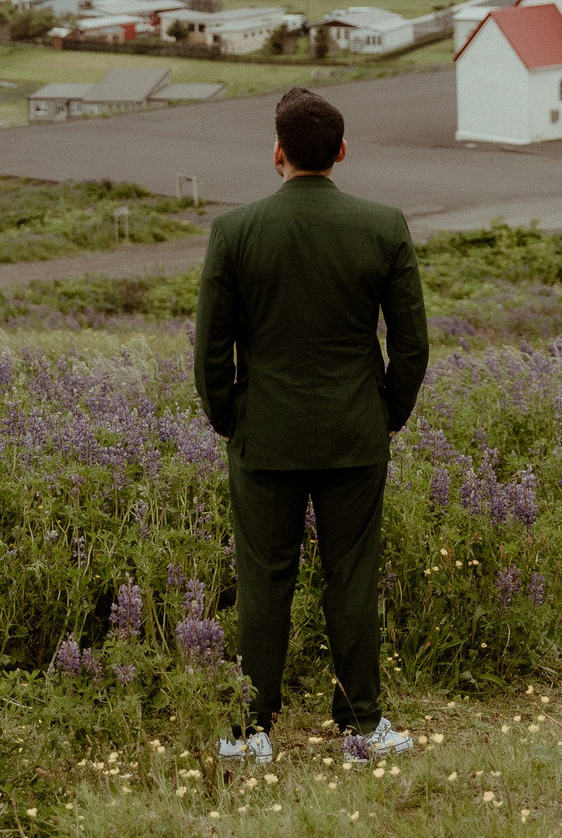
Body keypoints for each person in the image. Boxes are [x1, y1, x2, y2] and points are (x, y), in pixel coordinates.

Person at [194, 87, 429, 766]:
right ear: (341, 152)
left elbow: (213, 345)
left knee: (265, 578)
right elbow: (411, 343)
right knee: (351, 576)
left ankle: (249, 731)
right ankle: (361, 728)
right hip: (355, 433)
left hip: (263, 435)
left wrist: (229, 418)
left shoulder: (235, 232)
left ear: (278, 152)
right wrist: (387, 413)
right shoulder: (384, 226)